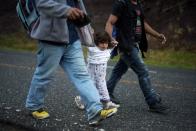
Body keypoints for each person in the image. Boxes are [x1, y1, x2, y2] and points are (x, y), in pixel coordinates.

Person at [25, 0, 118, 126]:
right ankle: (34, 106)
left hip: (72, 39)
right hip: (51, 39)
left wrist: (88, 28)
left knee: (83, 76)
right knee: (44, 75)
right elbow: (42, 3)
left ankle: (95, 110)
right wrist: (66, 10)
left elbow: (78, 7)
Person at [105, 0, 168, 113]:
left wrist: (158, 35)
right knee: (143, 72)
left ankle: (106, 92)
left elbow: (143, 24)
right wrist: (110, 39)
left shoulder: (137, 4)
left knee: (119, 70)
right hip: (126, 45)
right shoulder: (122, 4)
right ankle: (152, 102)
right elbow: (110, 22)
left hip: (134, 44)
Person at [75, 31, 120, 110]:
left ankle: (107, 102)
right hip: (91, 75)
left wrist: (113, 42)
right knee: (90, 87)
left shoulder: (107, 50)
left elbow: (114, 44)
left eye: (106, 43)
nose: (104, 45)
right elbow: (86, 41)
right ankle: (80, 99)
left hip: (101, 75)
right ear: (97, 42)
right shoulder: (92, 49)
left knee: (102, 86)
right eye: (102, 43)